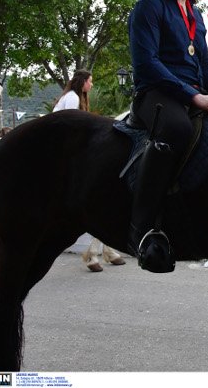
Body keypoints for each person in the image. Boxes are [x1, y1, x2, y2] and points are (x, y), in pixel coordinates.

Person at [127, 0, 208, 273]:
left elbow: (206, 66)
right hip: (155, 94)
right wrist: (192, 95)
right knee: (177, 128)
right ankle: (143, 229)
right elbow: (147, 65)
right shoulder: (149, 6)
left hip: (191, 92)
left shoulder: (195, 14)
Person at [53, 70, 127, 272]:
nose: (92, 85)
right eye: (90, 81)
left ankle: (105, 250)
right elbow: (69, 127)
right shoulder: (72, 98)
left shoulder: (74, 97)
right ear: (83, 82)